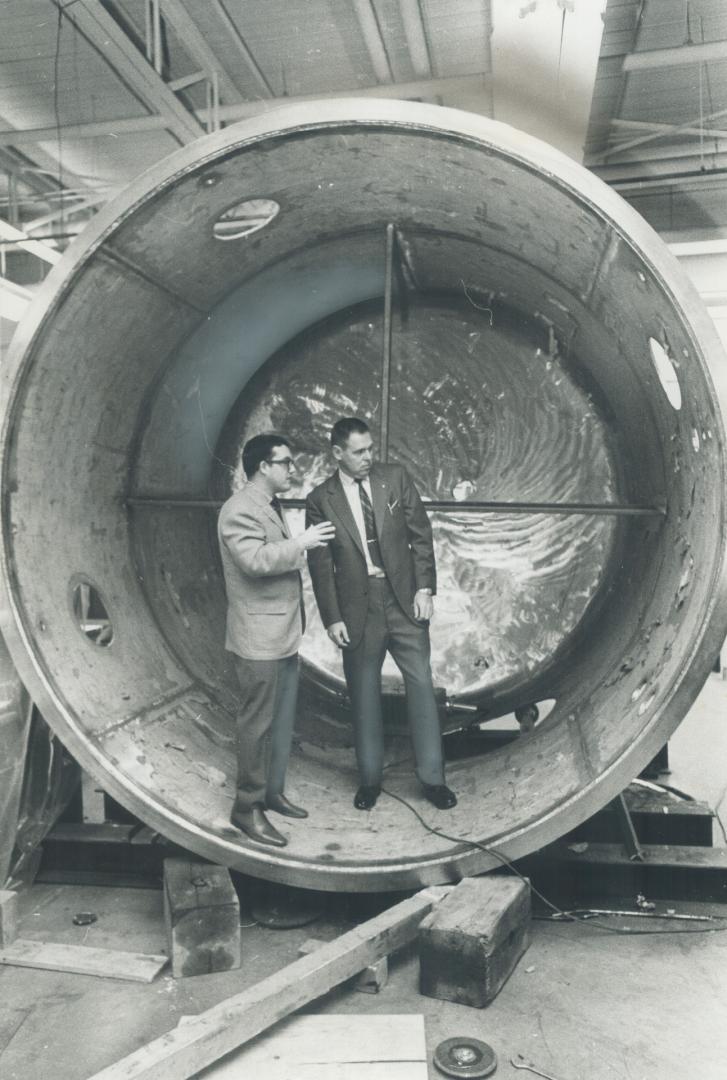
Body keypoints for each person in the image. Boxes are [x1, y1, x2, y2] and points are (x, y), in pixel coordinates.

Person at [305, 417, 457, 812]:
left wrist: (425, 589)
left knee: (422, 687)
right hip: (358, 610)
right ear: (337, 454)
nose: (368, 457)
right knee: (364, 696)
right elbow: (320, 566)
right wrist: (332, 618)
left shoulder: (396, 478)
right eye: (359, 452)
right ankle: (369, 781)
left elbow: (421, 535)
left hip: (405, 601)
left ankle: (433, 781)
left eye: (370, 449)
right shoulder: (321, 499)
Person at [218, 433, 335, 846]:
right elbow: (253, 562)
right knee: (257, 724)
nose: (291, 469)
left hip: (281, 634)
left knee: (281, 721)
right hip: (258, 639)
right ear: (263, 467)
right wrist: (300, 542)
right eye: (284, 463)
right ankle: (246, 809)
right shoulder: (239, 510)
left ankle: (271, 793)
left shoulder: (269, 504)